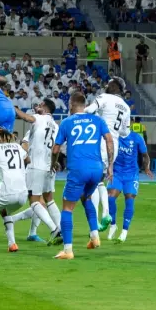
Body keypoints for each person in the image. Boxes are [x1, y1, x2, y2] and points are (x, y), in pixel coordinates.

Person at [51, 92, 114, 260]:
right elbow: (109, 140)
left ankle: (68, 250)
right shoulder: (98, 120)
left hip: (78, 169)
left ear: (71, 104)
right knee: (86, 197)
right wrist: (111, 166)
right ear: (84, 105)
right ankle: (94, 237)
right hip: (97, 169)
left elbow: (56, 149)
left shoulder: (67, 122)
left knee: (67, 208)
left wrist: (53, 164)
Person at [7, 101, 62, 244]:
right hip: (49, 166)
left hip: (35, 165)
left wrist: (13, 107)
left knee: (34, 201)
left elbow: (27, 118)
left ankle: (53, 228)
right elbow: (56, 148)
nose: (37, 106)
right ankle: (61, 229)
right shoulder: (56, 126)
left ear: (45, 108)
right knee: (48, 199)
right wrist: (54, 162)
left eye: (40, 104)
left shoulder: (39, 119)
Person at [84, 78, 130, 232]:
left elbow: (88, 110)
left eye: (108, 83)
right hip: (114, 146)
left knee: (92, 183)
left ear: (114, 86)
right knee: (100, 181)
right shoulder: (126, 107)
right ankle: (105, 214)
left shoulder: (103, 98)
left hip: (100, 142)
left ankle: (97, 220)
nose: (106, 85)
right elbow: (125, 132)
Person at [107, 130, 153, 243]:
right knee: (110, 198)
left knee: (129, 200)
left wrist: (146, 168)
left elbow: (145, 155)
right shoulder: (113, 135)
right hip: (116, 173)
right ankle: (113, 225)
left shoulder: (137, 137)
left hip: (131, 175)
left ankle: (124, 231)